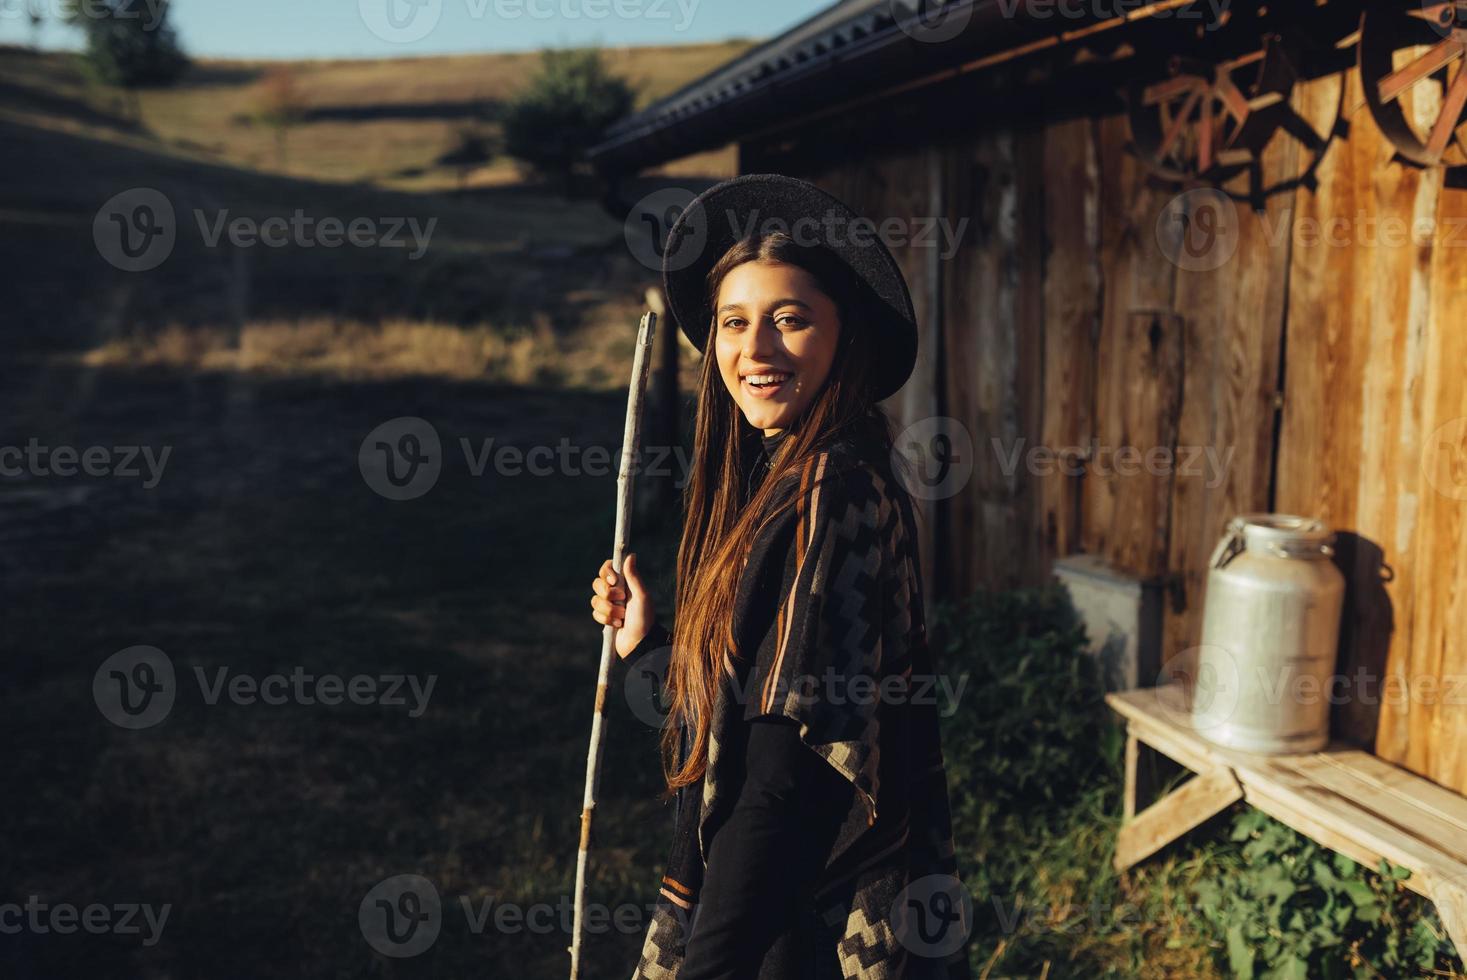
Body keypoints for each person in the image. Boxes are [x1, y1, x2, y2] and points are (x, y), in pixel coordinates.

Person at [589, 174, 971, 980]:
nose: (754, 351)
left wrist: (706, 966)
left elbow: (781, 778)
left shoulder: (828, 489)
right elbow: (749, 715)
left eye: (789, 320)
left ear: (845, 336)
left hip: (795, 929)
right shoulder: (791, 480)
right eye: (734, 323)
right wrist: (650, 649)